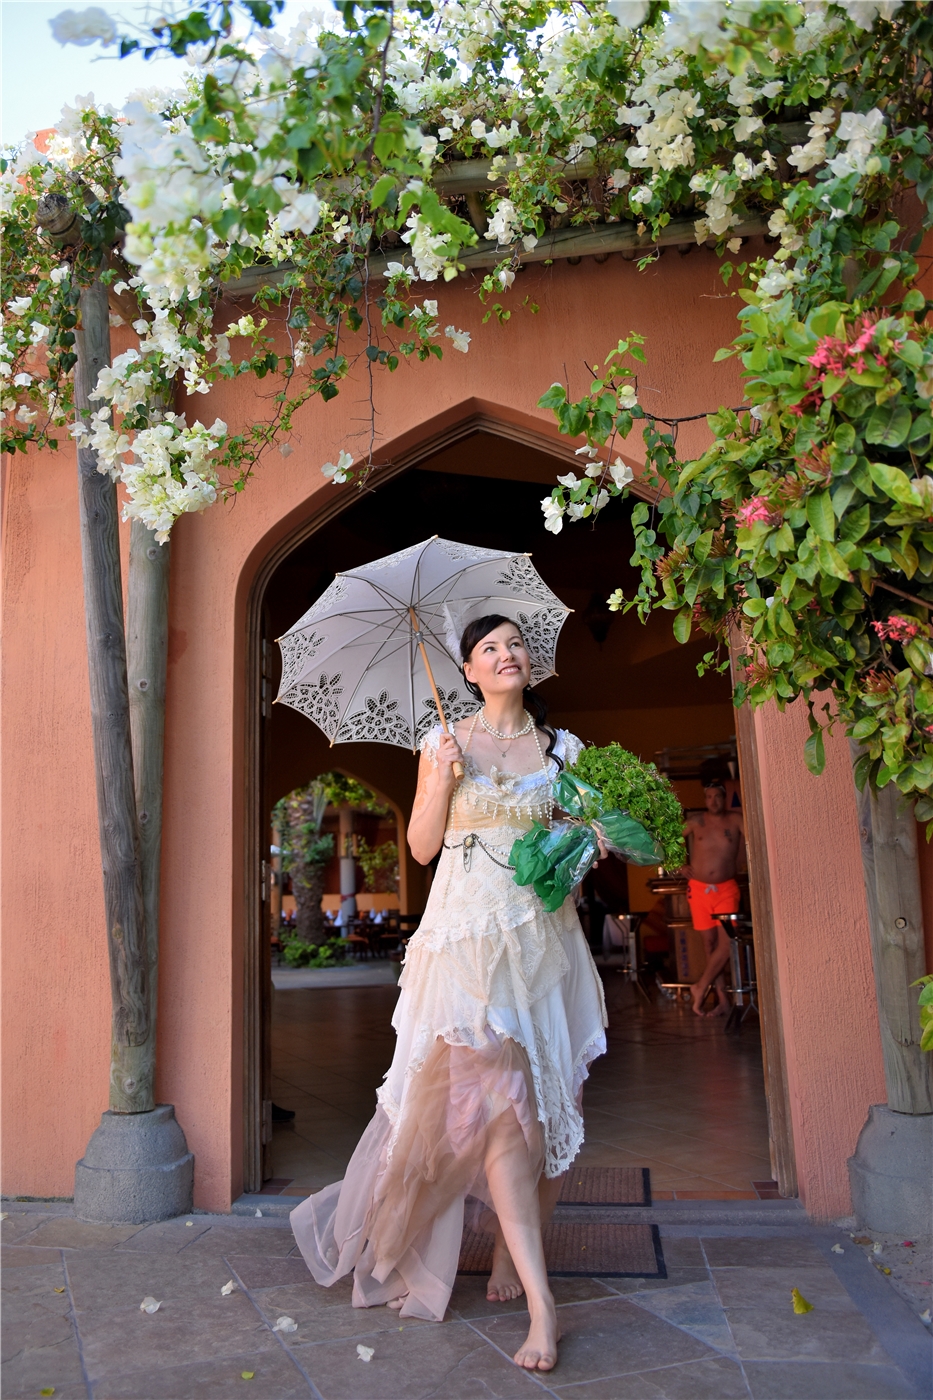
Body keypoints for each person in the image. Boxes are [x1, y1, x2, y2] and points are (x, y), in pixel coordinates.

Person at [289, 616, 608, 1373]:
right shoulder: (444, 743)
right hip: (466, 948)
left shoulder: (563, 750)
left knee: (556, 1109)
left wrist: (588, 847)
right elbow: (422, 846)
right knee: (502, 1112)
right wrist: (439, 781)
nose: (506, 655)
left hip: (546, 948)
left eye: (514, 644)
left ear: (529, 659)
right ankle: (543, 1307)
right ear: (468, 670)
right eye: (489, 648)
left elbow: (579, 843)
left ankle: (507, 1249)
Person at [682, 781, 745, 1018]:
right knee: (709, 945)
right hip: (698, 889)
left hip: (726, 889)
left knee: (728, 943)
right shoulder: (696, 821)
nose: (713, 801)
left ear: (724, 798)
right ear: (705, 799)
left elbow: (757, 839)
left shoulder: (736, 820)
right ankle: (723, 1001)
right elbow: (668, 841)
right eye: (709, 797)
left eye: (717, 796)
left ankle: (700, 986)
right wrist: (678, 865)